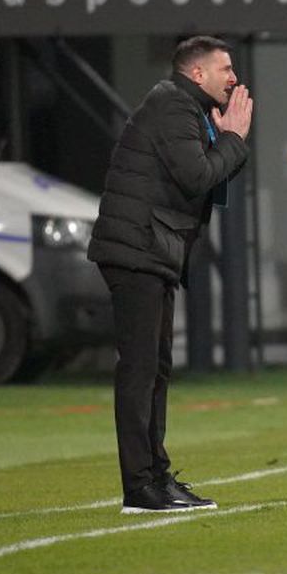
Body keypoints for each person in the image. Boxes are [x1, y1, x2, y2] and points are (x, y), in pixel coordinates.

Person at [87, 37, 253, 514]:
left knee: (154, 370)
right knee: (140, 371)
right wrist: (233, 140)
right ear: (197, 74)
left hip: (149, 250)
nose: (234, 77)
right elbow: (197, 177)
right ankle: (139, 487)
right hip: (136, 249)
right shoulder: (175, 107)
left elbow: (202, 179)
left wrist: (226, 141)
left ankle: (156, 479)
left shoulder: (185, 108)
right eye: (225, 69)